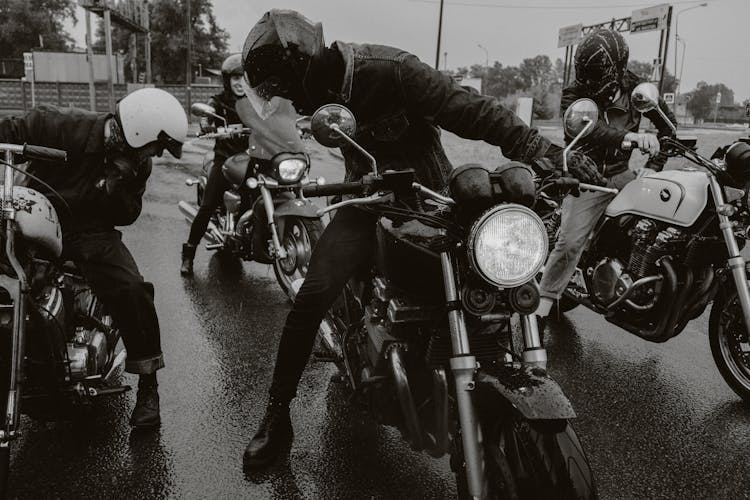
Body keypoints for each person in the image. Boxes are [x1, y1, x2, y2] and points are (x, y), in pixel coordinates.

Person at [239, 8, 604, 467]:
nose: (288, 100)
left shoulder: (390, 70)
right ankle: (276, 418)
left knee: (490, 286)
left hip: (430, 198)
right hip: (367, 201)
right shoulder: (323, 91)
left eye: (285, 89)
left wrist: (541, 151)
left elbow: (470, 109)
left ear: (301, 71)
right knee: (311, 297)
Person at [0, 88, 188, 427]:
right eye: (156, 146)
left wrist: (115, 185)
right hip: (34, 215)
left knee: (131, 287)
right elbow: (12, 131)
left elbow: (127, 214)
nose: (156, 154)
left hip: (89, 231)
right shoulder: (59, 124)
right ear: (139, 132)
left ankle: (148, 384)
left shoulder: (136, 165)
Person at [535, 28, 677, 321]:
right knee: (570, 243)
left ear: (617, 67)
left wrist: (654, 166)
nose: (589, 82)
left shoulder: (638, 91)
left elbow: (669, 128)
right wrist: (631, 138)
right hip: (586, 179)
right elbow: (590, 129)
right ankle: (540, 309)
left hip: (622, 175)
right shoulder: (574, 94)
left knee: (657, 229)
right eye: (585, 74)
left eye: (596, 74)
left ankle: (640, 288)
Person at [181, 54, 248, 275]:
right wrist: (207, 126)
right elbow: (206, 118)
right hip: (226, 159)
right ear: (227, 80)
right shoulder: (218, 101)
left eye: (245, 77)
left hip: (254, 159)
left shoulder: (257, 103)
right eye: (236, 77)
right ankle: (189, 253)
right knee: (208, 205)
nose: (240, 82)